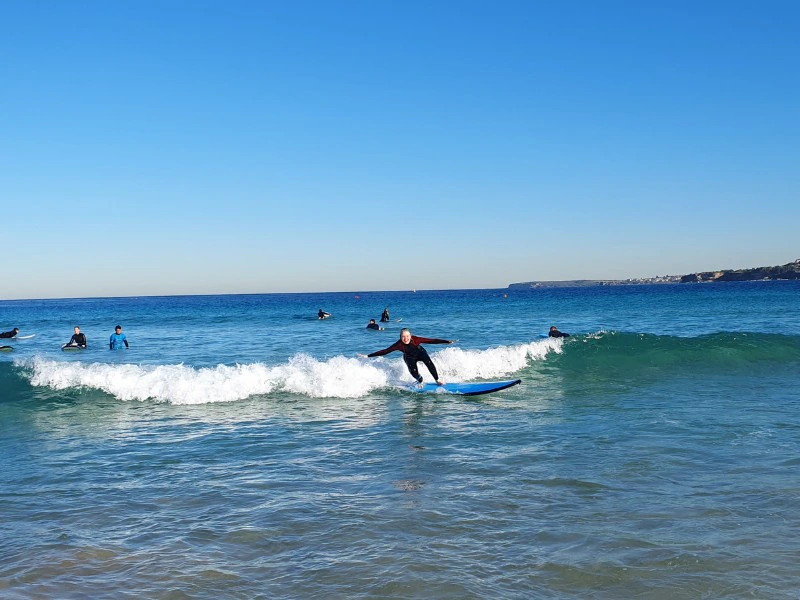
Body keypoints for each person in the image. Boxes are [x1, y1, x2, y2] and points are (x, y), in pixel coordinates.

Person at [361, 328, 454, 386]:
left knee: (429, 363)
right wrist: (368, 356)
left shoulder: (416, 339)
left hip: (420, 352)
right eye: (403, 336)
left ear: (410, 335)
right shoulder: (398, 344)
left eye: (407, 336)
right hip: (409, 357)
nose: (405, 338)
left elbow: (431, 341)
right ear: (400, 337)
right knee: (413, 373)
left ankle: (437, 380)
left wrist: (446, 342)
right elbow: (385, 351)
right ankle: (420, 380)